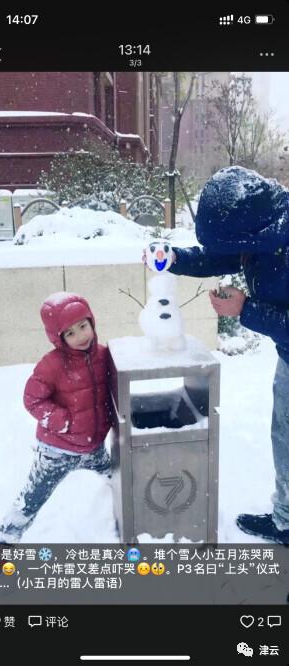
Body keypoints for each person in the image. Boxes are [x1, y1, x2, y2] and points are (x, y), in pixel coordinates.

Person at [145, 165, 289, 544]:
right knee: (285, 439)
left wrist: (246, 310)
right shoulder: (262, 232)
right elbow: (218, 257)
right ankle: (286, 521)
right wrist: (175, 257)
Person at [0, 292, 113, 543]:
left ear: (92, 322)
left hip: (94, 447)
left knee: (117, 482)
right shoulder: (52, 365)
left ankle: (116, 526)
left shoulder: (104, 356)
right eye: (70, 333)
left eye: (83, 326)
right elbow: (32, 399)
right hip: (57, 451)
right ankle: (7, 537)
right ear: (58, 338)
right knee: (34, 496)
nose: (81, 336)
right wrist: (64, 422)